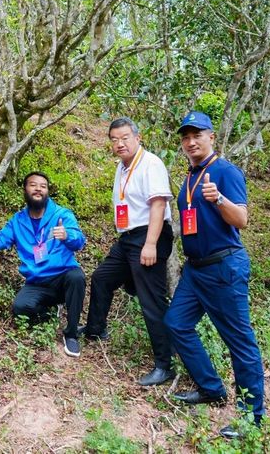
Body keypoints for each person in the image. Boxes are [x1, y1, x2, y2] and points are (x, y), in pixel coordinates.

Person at [165, 111, 265, 439]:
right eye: (185, 137)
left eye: (197, 135)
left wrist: (219, 198)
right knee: (176, 323)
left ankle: (251, 418)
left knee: (239, 341)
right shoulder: (190, 177)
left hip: (224, 267)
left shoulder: (225, 172)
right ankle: (212, 388)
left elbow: (242, 220)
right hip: (195, 270)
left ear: (212, 137)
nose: (191, 142)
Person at [80, 117, 175, 386]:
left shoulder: (151, 164)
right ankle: (96, 330)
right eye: (113, 139)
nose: (119, 144)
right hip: (128, 238)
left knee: (151, 300)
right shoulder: (122, 167)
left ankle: (164, 365)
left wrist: (150, 244)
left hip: (149, 235)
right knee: (102, 278)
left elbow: (158, 206)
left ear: (138, 137)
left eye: (124, 138)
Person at [0, 172, 86, 357]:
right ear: (25, 190)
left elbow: (80, 242)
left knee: (77, 277)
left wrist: (68, 235)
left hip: (62, 276)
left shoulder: (61, 215)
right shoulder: (18, 221)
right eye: (33, 185)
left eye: (43, 186)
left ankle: (71, 334)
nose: (38, 189)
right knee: (20, 308)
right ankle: (50, 312)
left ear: (48, 191)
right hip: (37, 282)